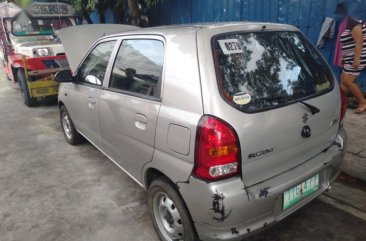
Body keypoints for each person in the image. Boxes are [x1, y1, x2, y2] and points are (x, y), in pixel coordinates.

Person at [339, 16, 366, 113]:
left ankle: (363, 102)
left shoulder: (352, 20)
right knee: (342, 83)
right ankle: (342, 102)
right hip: (349, 58)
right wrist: (344, 58)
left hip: (356, 58)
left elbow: (359, 41)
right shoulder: (347, 22)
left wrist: (356, 59)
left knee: (347, 82)